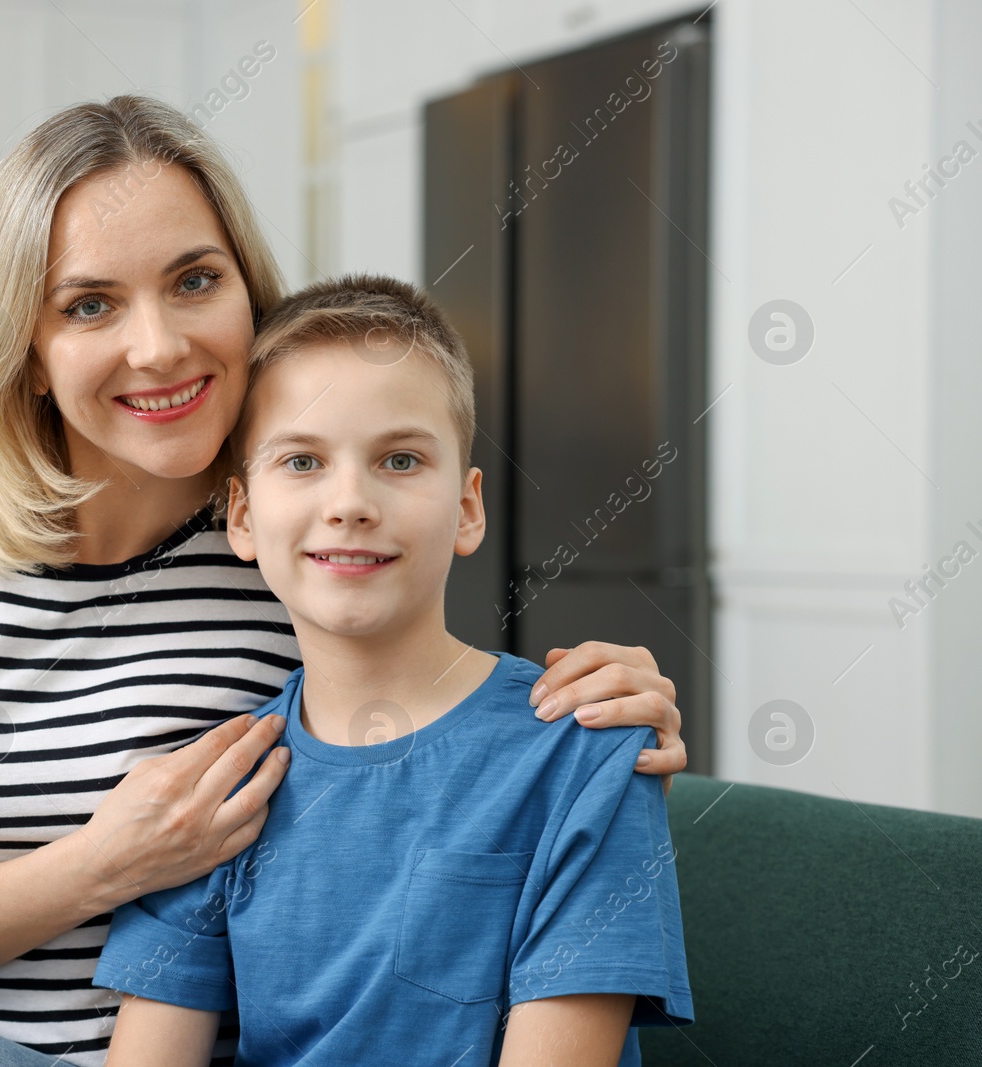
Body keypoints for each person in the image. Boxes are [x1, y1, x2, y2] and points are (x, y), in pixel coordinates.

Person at [0, 95, 686, 1067]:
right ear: (29, 344)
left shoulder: (284, 542)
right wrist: (104, 860)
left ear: (247, 294)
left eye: (194, 280)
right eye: (89, 303)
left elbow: (445, 714)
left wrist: (615, 700)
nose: (156, 347)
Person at [92, 274, 694, 1067]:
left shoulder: (586, 752)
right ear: (242, 514)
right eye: (303, 461)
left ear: (468, 507)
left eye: (400, 459)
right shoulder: (214, 794)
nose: (350, 502)